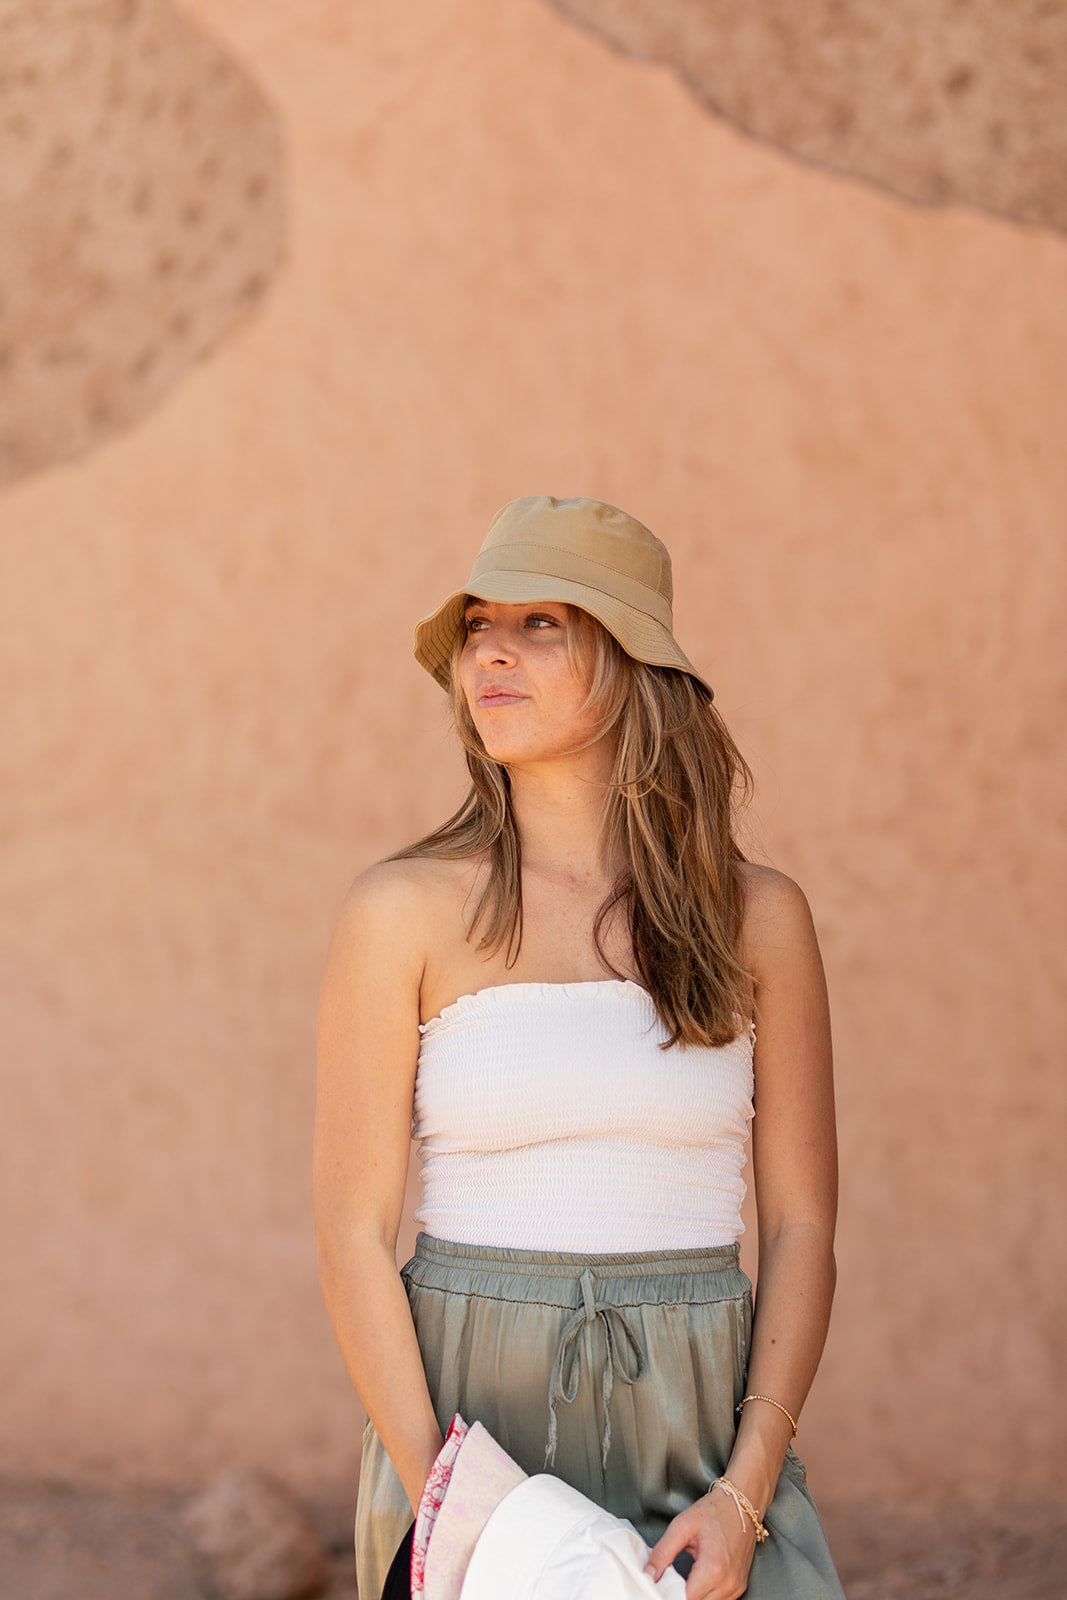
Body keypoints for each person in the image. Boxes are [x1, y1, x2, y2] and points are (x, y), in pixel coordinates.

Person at [315, 496, 845, 1600]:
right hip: (470, 1417)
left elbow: (799, 1225)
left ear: (631, 661)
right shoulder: (401, 910)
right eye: (474, 627)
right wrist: (453, 1502)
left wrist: (744, 1487)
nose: (491, 652)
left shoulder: (757, 918)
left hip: (695, 1424)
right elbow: (351, 1234)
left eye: (541, 622)